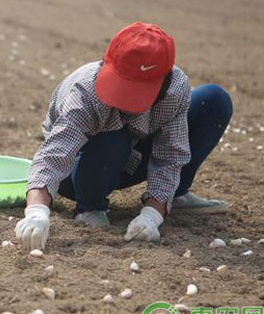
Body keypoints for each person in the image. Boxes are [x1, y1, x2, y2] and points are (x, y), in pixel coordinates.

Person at [15, 21, 232, 250]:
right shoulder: (86, 91)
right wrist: (37, 212)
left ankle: (172, 196)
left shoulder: (175, 88)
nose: (126, 100)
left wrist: (152, 215)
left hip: (132, 156)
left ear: (164, 81)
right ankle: (90, 207)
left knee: (213, 99)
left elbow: (171, 153)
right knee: (112, 136)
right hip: (80, 168)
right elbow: (55, 155)